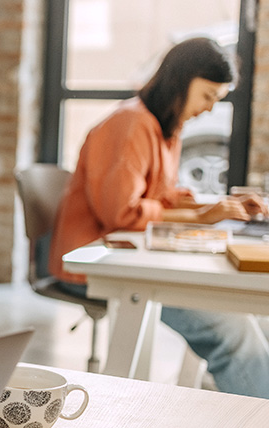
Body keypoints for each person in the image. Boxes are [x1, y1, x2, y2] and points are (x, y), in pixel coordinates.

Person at [48, 37, 269, 399]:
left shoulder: (164, 127)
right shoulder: (131, 124)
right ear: (182, 81)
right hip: (96, 265)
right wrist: (204, 216)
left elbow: (162, 197)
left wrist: (217, 207)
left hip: (129, 257)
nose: (210, 109)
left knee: (257, 319)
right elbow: (120, 214)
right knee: (234, 332)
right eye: (207, 97)